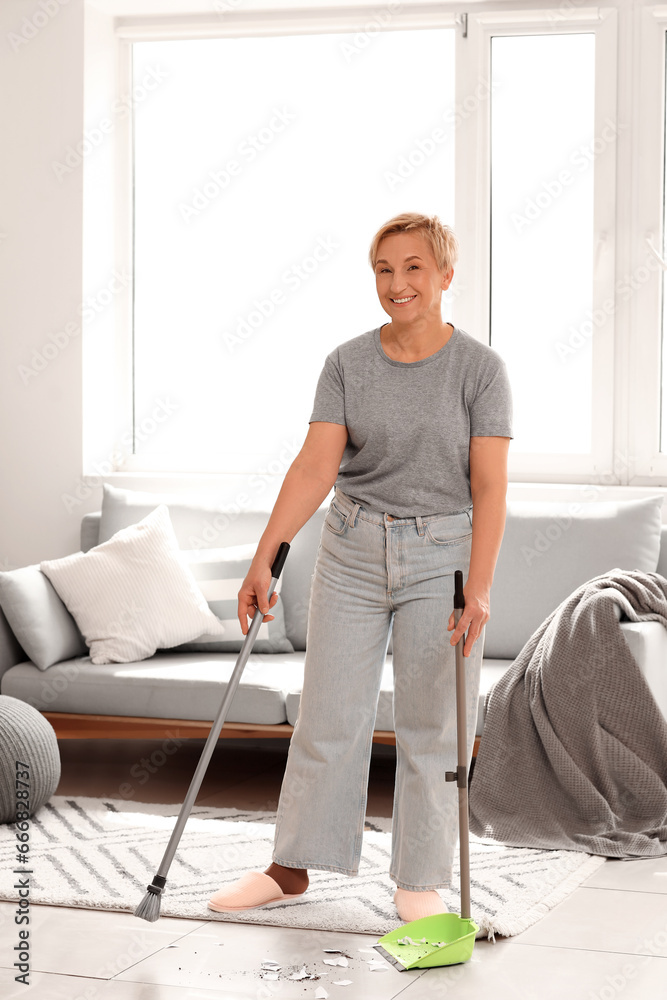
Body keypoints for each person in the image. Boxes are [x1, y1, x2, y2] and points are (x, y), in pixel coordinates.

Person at [208, 211, 513, 922]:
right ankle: (290, 869)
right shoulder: (346, 363)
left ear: (444, 276)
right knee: (328, 715)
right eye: (383, 269)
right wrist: (265, 562)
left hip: (443, 556)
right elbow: (316, 466)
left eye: (412, 268)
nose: (396, 283)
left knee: (431, 724)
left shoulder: (479, 370)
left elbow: (491, 487)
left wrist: (483, 590)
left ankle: (418, 881)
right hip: (349, 549)